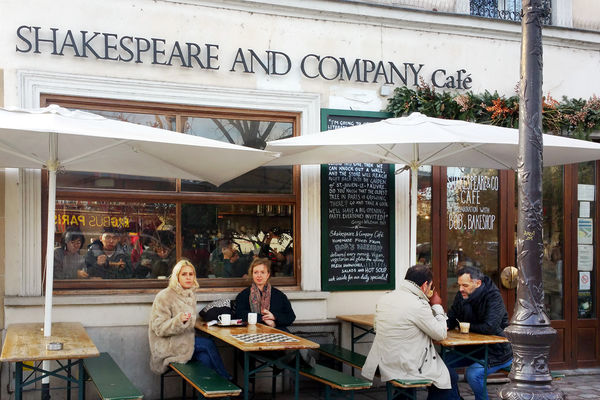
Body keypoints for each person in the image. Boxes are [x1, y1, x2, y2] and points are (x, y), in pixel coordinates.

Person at [362, 264, 459, 400]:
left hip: (385, 360)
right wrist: (437, 305)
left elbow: (377, 327)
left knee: (443, 372)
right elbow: (441, 334)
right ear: (425, 285)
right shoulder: (418, 304)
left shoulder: (386, 297)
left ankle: (403, 397)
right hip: (406, 364)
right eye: (431, 286)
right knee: (449, 375)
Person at [148, 259, 231, 379]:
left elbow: (188, 323)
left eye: (191, 274)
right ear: (177, 277)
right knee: (208, 344)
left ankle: (216, 395)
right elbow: (159, 328)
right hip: (167, 346)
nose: (188, 278)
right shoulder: (164, 296)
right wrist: (178, 321)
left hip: (184, 341)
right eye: (184, 274)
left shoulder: (190, 295)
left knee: (205, 359)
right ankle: (226, 379)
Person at [446, 265, 513, 400]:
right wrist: (441, 326)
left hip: (498, 352)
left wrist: (466, 327)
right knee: (442, 363)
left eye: (465, 285)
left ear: (478, 283)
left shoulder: (493, 297)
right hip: (472, 349)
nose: (460, 289)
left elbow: (490, 327)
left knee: (473, 374)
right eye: (459, 285)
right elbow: (452, 317)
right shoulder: (462, 295)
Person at [234, 257, 296, 331]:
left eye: (262, 272)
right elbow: (239, 314)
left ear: (268, 274)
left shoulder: (279, 295)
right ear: (252, 274)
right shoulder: (243, 295)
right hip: (251, 332)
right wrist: (263, 318)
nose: (259, 275)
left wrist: (274, 317)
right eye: (256, 272)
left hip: (277, 331)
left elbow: (290, 317)